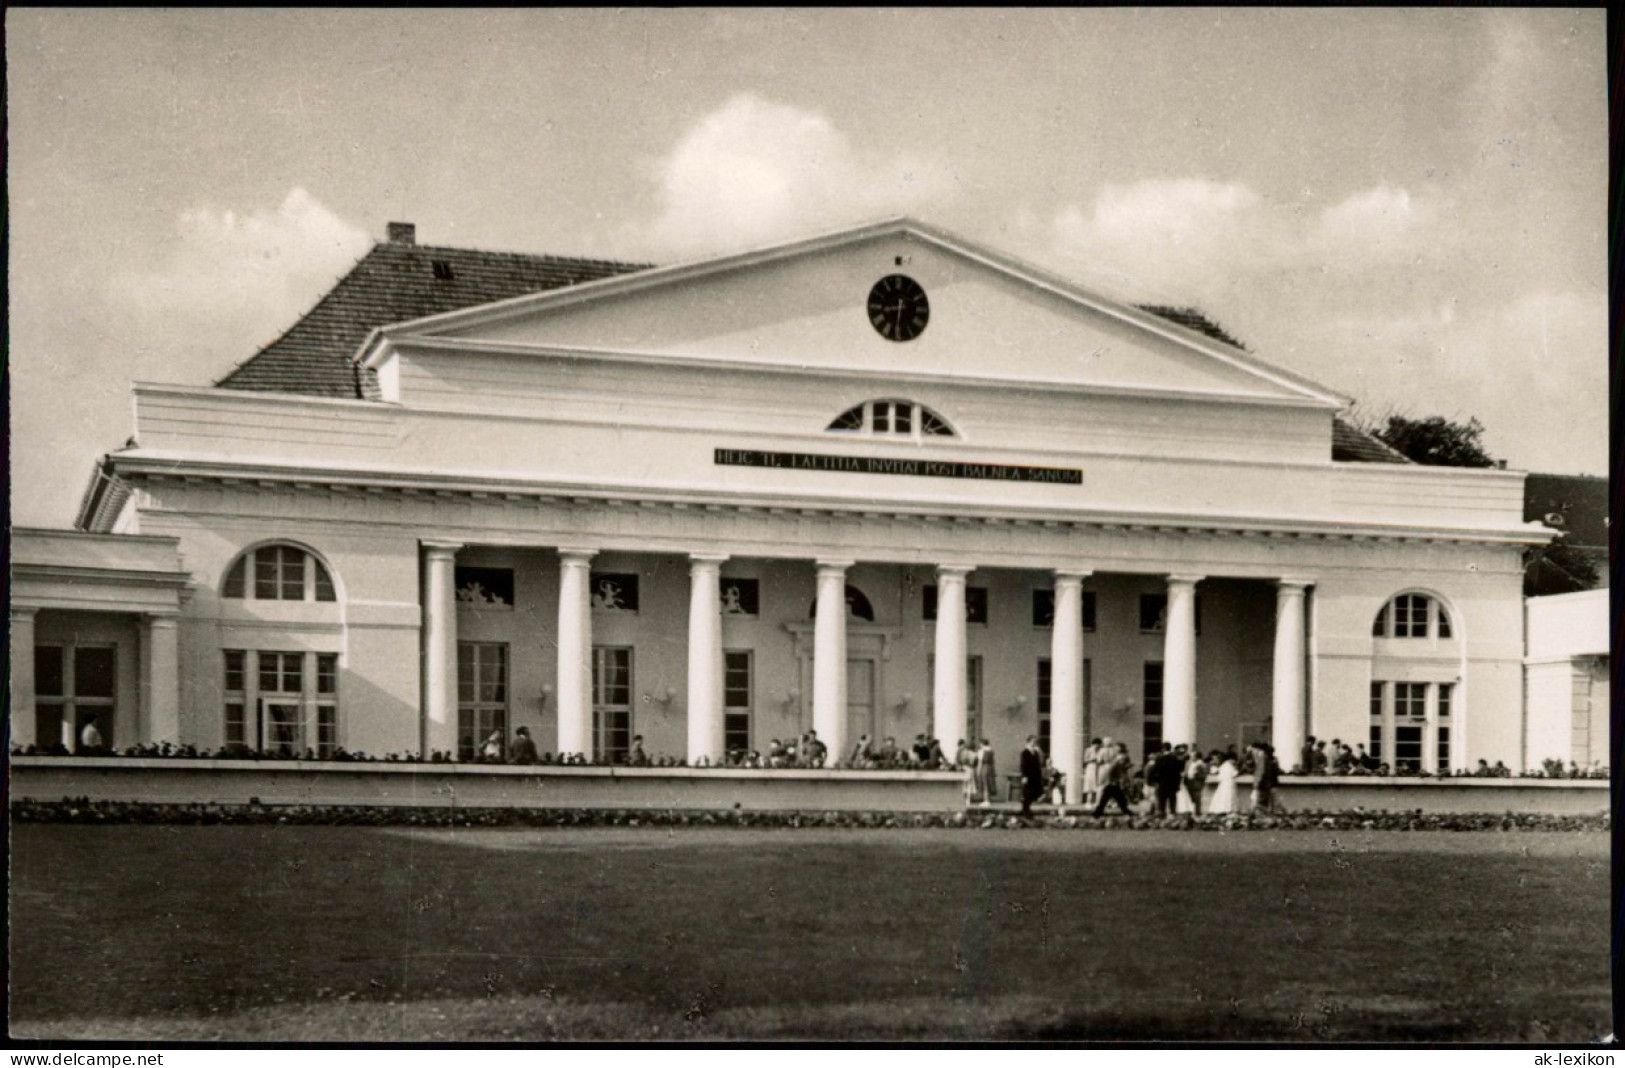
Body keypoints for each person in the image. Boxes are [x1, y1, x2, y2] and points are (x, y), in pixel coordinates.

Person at [1092, 741, 1133, 817]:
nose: (1115, 748)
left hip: (1115, 781)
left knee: (1109, 797)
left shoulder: (1121, 757)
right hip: (1113, 781)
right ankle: (1127, 812)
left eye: (1117, 747)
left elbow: (1120, 769)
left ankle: (1098, 813)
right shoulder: (1118, 757)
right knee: (1115, 797)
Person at [1019, 735, 1045, 817]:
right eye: (1033, 741)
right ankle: (1025, 810)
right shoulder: (1025, 752)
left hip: (1035, 775)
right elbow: (1023, 765)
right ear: (1029, 742)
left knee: (1035, 793)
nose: (1034, 743)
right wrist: (1024, 776)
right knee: (1027, 793)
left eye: (1035, 742)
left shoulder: (1036, 752)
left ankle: (1027, 809)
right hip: (1028, 775)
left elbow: (1039, 764)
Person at [1182, 746, 1209, 815]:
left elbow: (1204, 774)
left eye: (1193, 756)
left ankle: (1198, 812)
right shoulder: (1188, 763)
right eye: (1191, 756)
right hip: (1189, 782)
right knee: (1190, 797)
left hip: (1197, 782)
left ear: (1197, 757)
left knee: (1197, 797)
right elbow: (1186, 771)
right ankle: (1190, 811)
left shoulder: (1201, 764)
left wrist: (1197, 775)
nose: (1191, 757)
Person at [1082, 737, 1102, 806]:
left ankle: (1097, 802)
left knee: (1097, 785)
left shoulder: (1100, 751)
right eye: (1097, 745)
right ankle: (1088, 802)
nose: (1098, 747)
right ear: (1094, 744)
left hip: (1097, 768)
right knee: (1090, 784)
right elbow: (1085, 760)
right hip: (1090, 767)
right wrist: (1092, 759)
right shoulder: (1088, 750)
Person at [977, 738, 997, 806]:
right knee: (989, 783)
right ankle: (988, 799)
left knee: (985, 783)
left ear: (982, 744)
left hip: (984, 767)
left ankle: (986, 800)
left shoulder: (981, 751)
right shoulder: (991, 750)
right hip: (991, 768)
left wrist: (978, 771)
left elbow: (980, 762)